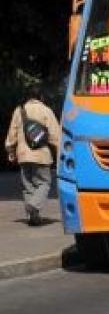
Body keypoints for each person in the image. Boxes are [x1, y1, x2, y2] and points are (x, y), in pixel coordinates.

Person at [4, 89, 60, 226]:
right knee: (44, 183)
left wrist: (10, 150)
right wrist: (60, 155)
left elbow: (12, 134)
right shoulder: (46, 110)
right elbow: (55, 136)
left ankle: (32, 218)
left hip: (23, 155)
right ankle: (34, 206)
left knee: (28, 186)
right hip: (41, 154)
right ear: (40, 97)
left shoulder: (19, 111)